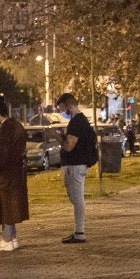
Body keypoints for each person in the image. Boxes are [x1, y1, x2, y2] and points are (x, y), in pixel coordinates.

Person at [0, 96, 29, 251]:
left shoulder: (5, 129)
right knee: (11, 206)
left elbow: (3, 153)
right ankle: (11, 237)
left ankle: (8, 238)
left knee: (5, 205)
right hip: (16, 172)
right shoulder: (17, 126)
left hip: (6, 174)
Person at [56, 92, 97, 244]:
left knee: (77, 199)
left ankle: (80, 232)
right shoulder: (79, 121)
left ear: (68, 105)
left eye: (61, 108)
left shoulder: (77, 122)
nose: (61, 112)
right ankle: (78, 231)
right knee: (75, 198)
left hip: (75, 165)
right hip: (76, 164)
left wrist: (57, 136)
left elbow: (68, 146)